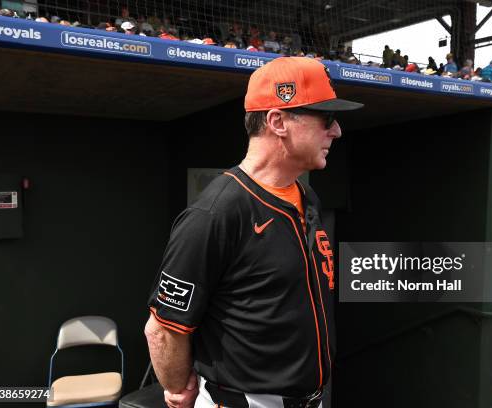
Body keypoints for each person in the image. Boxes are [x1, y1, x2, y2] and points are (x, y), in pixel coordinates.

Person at [144, 56, 363, 408]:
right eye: (326, 117)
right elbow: (163, 327)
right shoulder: (215, 213)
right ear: (277, 121)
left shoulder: (307, 196)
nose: (336, 130)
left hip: (311, 398)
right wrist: (175, 388)